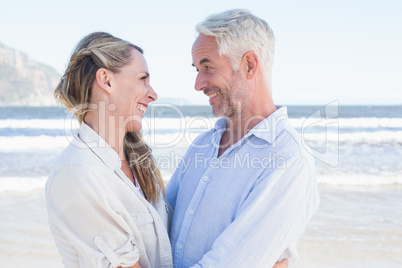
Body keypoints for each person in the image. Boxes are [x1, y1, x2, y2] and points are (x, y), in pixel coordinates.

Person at [166, 9, 320, 268]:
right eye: (197, 69)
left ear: (249, 64)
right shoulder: (203, 144)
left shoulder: (288, 160)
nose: (198, 83)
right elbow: (158, 224)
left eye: (207, 67)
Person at [46, 32, 172, 268]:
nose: (153, 94)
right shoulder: (79, 173)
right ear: (106, 80)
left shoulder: (140, 162)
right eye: (142, 79)